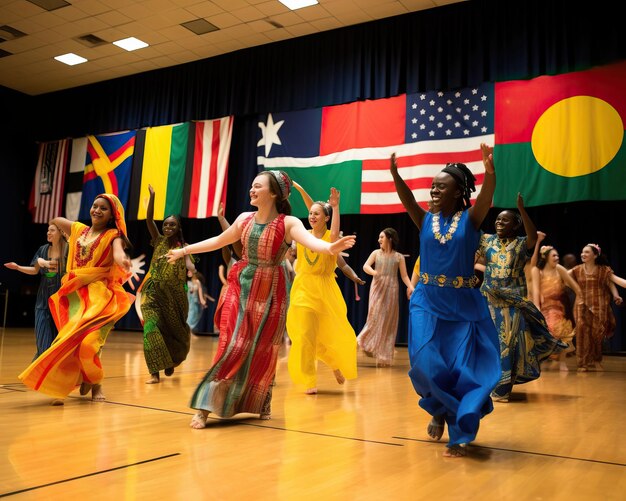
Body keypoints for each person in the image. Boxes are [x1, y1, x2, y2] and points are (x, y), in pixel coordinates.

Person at [166, 170, 356, 428]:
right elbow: (219, 240)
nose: (251, 190)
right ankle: (205, 406)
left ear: (274, 193)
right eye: (252, 186)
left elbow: (314, 244)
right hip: (242, 284)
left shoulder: (289, 223)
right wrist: (184, 250)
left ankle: (260, 401)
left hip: (272, 289)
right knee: (233, 344)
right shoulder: (244, 219)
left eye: (258, 186)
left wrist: (331, 248)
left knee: (265, 349)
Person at [390, 143, 500, 458]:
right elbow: (408, 198)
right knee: (425, 364)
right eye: (433, 185)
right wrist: (396, 175)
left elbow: (487, 197)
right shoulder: (425, 220)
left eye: (442, 186)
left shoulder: (470, 219)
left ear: (458, 192)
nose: (434, 190)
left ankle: (459, 431)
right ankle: (437, 408)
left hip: (463, 304)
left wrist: (490, 174)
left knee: (462, 370)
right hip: (427, 300)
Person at [18, 193, 134, 403]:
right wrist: (60, 228)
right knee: (68, 340)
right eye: (94, 205)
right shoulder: (79, 229)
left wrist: (122, 260)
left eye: (103, 208)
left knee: (90, 342)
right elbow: (55, 220)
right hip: (74, 295)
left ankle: (95, 382)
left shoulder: (113, 235)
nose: (97, 210)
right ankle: (60, 388)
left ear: (112, 216)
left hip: (99, 295)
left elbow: (117, 253)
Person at [476, 194, 566, 402]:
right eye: (497, 219)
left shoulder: (520, 243)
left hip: (511, 303)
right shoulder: (486, 240)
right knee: (488, 344)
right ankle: (485, 384)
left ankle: (502, 390)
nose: (499, 222)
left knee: (506, 343)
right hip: (488, 300)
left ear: (516, 225)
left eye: (505, 219)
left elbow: (533, 237)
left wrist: (522, 210)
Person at [285, 185, 360, 394]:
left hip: (324, 290)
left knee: (325, 336)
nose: (311, 216)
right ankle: (310, 380)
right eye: (310, 213)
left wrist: (335, 207)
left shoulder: (329, 238)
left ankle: (334, 363)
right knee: (305, 335)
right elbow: (313, 208)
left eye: (317, 214)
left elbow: (334, 232)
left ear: (325, 218)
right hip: (302, 288)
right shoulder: (303, 234)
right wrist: (300, 189)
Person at [139, 185, 196, 384]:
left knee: (174, 331)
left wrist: (192, 268)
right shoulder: (158, 240)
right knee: (151, 329)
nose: (167, 228)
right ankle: (154, 372)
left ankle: (172, 360)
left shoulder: (186, 248)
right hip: (153, 293)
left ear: (179, 228)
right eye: (165, 225)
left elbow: (190, 265)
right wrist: (153, 197)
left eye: (172, 225)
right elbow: (148, 221)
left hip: (175, 297)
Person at [4, 223, 67, 358]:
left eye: (52, 230)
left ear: (61, 232)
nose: (48, 233)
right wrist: (18, 267)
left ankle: (58, 371)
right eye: (47, 230)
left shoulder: (68, 250)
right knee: (42, 339)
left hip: (62, 302)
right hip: (43, 301)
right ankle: (41, 369)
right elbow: (34, 270)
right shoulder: (43, 249)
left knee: (59, 341)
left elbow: (67, 270)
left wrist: (46, 263)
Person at [357, 227, 413, 367]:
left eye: (381, 237)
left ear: (389, 238)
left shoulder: (399, 257)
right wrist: (374, 273)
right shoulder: (376, 253)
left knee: (388, 322)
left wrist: (411, 286)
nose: (379, 240)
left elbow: (404, 275)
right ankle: (363, 342)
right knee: (375, 317)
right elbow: (365, 266)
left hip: (392, 289)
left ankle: (383, 356)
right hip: (377, 289)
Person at [568, 243, 623, 371]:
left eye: (587, 252)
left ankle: (596, 360)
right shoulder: (577, 270)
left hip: (600, 306)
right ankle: (582, 363)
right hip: (581, 306)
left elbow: (614, 282)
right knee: (582, 333)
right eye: (582, 252)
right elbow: (563, 276)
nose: (583, 254)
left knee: (597, 334)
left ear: (595, 255)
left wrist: (616, 295)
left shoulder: (604, 270)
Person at [531, 243, 583, 371]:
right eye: (554, 255)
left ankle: (561, 361)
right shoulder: (537, 271)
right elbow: (536, 291)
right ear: (546, 257)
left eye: (557, 255)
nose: (556, 257)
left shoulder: (560, 269)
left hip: (559, 307)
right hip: (543, 307)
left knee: (557, 328)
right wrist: (537, 307)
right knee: (542, 334)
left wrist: (578, 303)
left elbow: (576, 288)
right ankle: (546, 360)